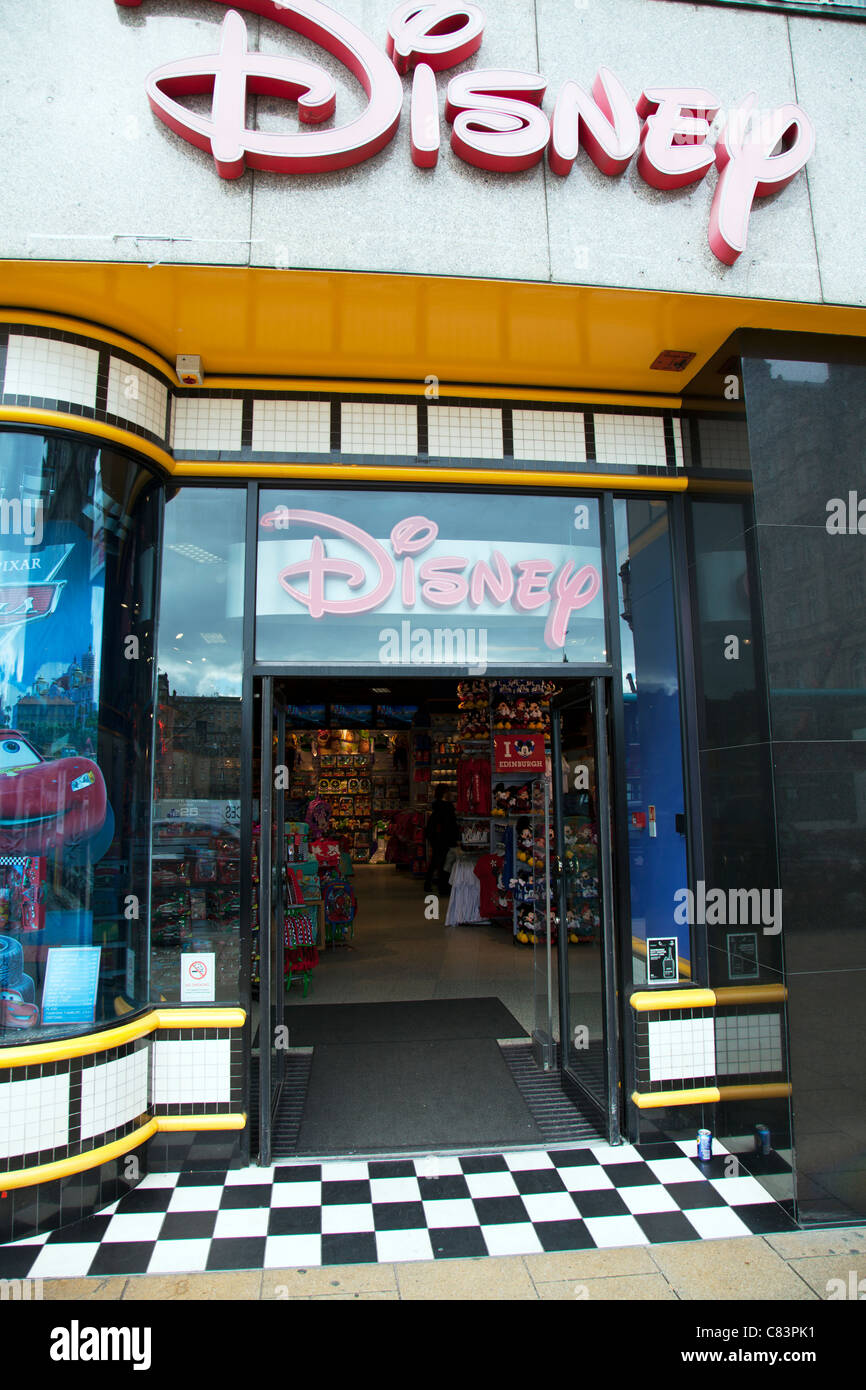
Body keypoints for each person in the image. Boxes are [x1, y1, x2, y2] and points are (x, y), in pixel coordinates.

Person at [424, 784, 458, 893]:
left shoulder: (437, 807)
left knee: (436, 860)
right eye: (449, 791)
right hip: (445, 838)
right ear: (445, 793)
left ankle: (428, 883)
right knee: (444, 862)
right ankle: (443, 887)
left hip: (436, 837)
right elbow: (450, 825)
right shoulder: (447, 807)